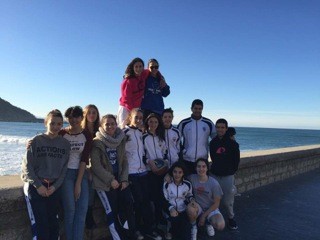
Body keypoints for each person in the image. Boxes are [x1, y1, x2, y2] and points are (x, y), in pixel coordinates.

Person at [21, 109, 70, 240]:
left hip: (54, 188)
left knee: (54, 224)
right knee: (41, 224)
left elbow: (64, 169)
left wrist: (54, 187)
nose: (55, 127)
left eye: (59, 124)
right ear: (45, 123)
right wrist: (38, 186)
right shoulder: (36, 141)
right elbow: (27, 166)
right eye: (52, 123)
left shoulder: (65, 144)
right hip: (37, 187)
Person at [90, 114, 138, 239]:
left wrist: (124, 179)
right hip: (104, 183)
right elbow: (96, 166)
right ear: (101, 126)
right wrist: (111, 180)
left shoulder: (120, 139)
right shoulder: (96, 142)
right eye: (107, 124)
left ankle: (129, 235)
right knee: (112, 212)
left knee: (128, 207)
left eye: (113, 123)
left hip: (120, 179)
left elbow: (124, 161)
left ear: (116, 125)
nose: (110, 126)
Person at [123, 109, 162, 240]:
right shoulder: (124, 133)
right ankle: (135, 231)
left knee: (146, 202)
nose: (139, 120)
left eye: (141, 118)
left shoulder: (141, 133)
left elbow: (144, 153)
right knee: (137, 203)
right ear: (130, 117)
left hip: (144, 172)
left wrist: (149, 162)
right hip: (131, 174)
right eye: (136, 117)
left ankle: (149, 229)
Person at [60, 106, 93, 240]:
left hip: (81, 173)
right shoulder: (62, 134)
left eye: (76, 116)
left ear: (81, 118)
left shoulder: (86, 135)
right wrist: (31, 141)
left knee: (81, 211)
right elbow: (48, 137)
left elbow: (84, 159)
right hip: (66, 174)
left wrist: (78, 183)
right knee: (70, 211)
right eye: (70, 117)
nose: (73, 120)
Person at [209, 119, 240, 230]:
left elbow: (236, 160)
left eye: (222, 127)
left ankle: (231, 217)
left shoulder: (233, 143)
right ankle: (212, 218)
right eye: (218, 127)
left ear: (226, 129)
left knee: (228, 201)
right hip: (214, 175)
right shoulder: (213, 143)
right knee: (212, 199)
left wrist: (230, 171)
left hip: (227, 176)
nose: (220, 129)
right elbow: (213, 157)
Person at [189, 158, 225, 239]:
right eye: (198, 166)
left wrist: (203, 216)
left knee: (220, 225)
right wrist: (168, 175)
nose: (201, 169)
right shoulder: (191, 177)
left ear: (207, 168)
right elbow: (179, 176)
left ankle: (208, 223)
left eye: (203, 166)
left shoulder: (214, 183)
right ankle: (194, 227)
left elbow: (216, 204)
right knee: (190, 209)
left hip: (210, 208)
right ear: (195, 168)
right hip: (198, 206)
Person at [143, 113, 168, 229]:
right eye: (151, 121)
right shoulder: (143, 137)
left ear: (159, 124)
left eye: (156, 122)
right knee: (151, 196)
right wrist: (149, 162)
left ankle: (160, 218)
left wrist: (165, 164)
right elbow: (141, 155)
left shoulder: (161, 137)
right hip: (149, 171)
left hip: (161, 171)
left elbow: (165, 153)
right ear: (147, 122)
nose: (153, 124)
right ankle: (151, 221)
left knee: (161, 195)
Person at [178, 99, 215, 174]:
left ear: (202, 109)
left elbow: (216, 139)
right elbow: (175, 139)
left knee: (203, 184)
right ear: (191, 109)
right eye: (195, 108)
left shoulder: (208, 123)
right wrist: (184, 151)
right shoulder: (184, 123)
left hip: (203, 161)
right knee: (188, 183)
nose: (197, 110)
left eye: (200, 109)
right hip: (187, 160)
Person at [163, 161, 194, 240]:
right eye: (175, 172)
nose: (177, 174)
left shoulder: (187, 184)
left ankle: (192, 227)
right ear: (172, 172)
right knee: (175, 234)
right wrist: (171, 208)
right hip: (171, 210)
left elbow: (189, 195)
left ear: (183, 173)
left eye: (180, 172)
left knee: (185, 236)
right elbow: (164, 200)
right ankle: (170, 227)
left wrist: (192, 200)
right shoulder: (167, 184)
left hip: (183, 210)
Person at [82, 104, 100, 230]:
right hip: (83, 164)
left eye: (94, 112)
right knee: (90, 181)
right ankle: (88, 214)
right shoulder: (80, 131)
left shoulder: (100, 130)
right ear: (85, 115)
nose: (92, 115)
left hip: (97, 164)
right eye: (89, 113)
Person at [117, 57, 149, 129]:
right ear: (133, 67)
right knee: (123, 129)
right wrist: (133, 113)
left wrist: (161, 78)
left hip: (137, 108)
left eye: (140, 66)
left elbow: (151, 70)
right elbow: (126, 99)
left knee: (137, 129)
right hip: (125, 108)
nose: (138, 69)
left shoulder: (144, 74)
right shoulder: (128, 81)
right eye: (136, 67)